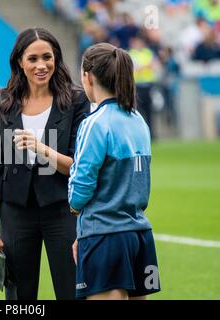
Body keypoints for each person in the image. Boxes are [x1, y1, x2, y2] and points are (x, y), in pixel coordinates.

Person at [0, 27, 90, 300]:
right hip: (16, 213)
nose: (41, 65)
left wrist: (41, 149)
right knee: (19, 296)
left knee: (71, 291)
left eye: (48, 57)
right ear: (20, 61)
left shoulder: (76, 100)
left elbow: (78, 167)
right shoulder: (2, 101)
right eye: (33, 59)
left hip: (63, 211)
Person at [68, 42, 161, 300]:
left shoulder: (94, 123)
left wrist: (75, 209)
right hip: (139, 235)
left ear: (88, 77)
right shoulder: (138, 119)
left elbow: (81, 185)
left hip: (105, 237)